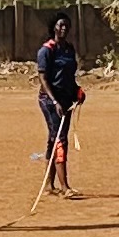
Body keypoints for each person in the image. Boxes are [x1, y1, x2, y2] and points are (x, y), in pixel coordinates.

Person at [36, 13, 82, 196]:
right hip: (50, 101)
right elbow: (43, 78)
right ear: (53, 27)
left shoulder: (69, 49)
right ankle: (64, 187)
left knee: (54, 139)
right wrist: (54, 101)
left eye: (66, 25)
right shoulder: (46, 50)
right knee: (60, 139)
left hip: (66, 100)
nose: (64, 28)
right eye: (60, 25)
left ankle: (50, 185)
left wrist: (77, 91)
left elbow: (69, 76)